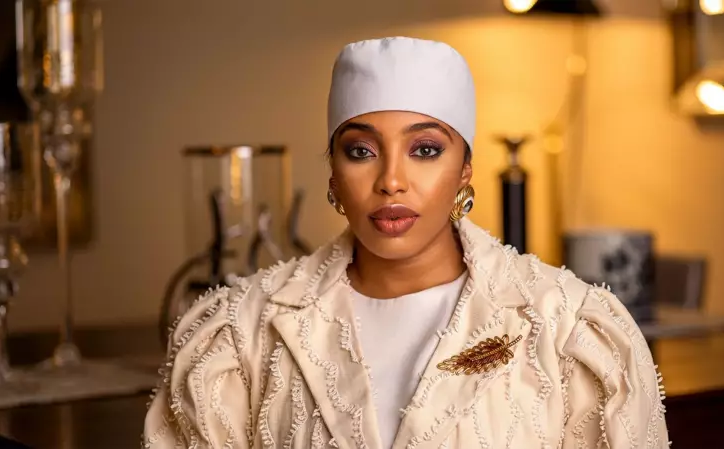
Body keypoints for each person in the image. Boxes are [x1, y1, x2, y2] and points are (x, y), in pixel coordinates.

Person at [143, 36, 669, 449]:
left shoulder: (569, 329)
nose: (391, 181)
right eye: (361, 151)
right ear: (333, 173)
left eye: (425, 149)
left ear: (465, 170)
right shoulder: (240, 335)